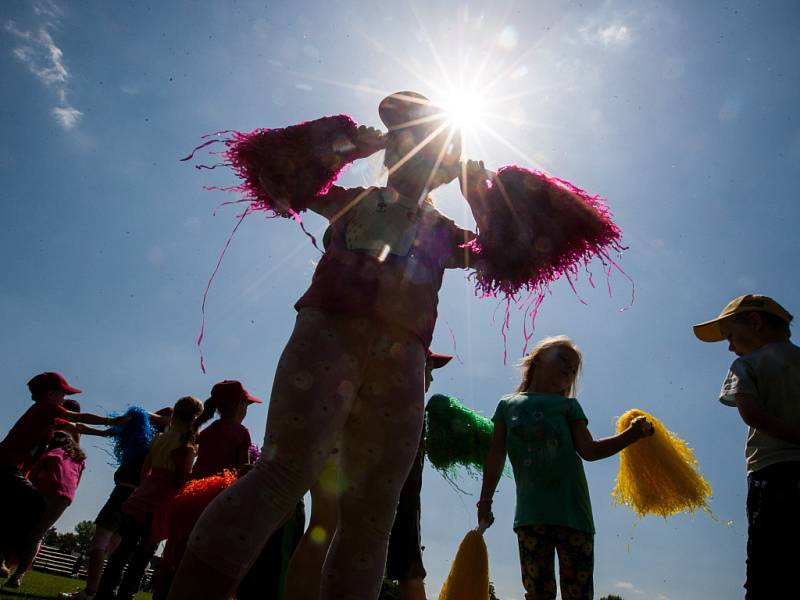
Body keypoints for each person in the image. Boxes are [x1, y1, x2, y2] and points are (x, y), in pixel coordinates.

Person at [168, 91, 479, 600]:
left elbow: (508, 257)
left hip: (402, 360)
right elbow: (274, 174)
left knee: (375, 511)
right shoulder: (350, 200)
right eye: (406, 142)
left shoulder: (445, 233)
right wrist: (345, 147)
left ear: (446, 171)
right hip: (327, 335)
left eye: (432, 151)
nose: (417, 156)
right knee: (283, 472)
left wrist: (483, 197)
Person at [478, 336, 653, 600]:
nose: (569, 370)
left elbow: (590, 450)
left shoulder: (569, 406)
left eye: (573, 370)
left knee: (579, 594)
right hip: (530, 516)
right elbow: (495, 456)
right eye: (563, 360)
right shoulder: (506, 405)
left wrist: (631, 435)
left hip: (574, 515)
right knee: (538, 593)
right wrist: (485, 499)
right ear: (538, 358)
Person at [283, 350, 453, 600]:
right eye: (429, 368)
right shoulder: (403, 415)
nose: (431, 378)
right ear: (414, 368)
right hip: (373, 482)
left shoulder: (368, 396)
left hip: (336, 453)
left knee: (326, 529)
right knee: (404, 561)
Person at [693, 294, 800, 599]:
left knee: (767, 566)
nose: (729, 346)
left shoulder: (746, 364)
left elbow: (751, 414)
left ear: (754, 322)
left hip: (772, 474)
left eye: (729, 336)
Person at [0, 372, 125, 568]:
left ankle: (4, 554)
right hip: (5, 467)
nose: (64, 399)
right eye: (63, 394)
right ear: (51, 394)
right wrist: (112, 421)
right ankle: (4, 554)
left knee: (22, 508)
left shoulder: (49, 416)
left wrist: (104, 433)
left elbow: (77, 426)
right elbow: (77, 416)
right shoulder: (45, 408)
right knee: (32, 504)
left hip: (11, 469)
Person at [152, 381, 261, 600]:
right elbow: (242, 471)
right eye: (246, 404)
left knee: (177, 555)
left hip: (190, 498)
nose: (247, 409)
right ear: (240, 403)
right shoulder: (242, 432)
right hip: (219, 501)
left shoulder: (207, 430)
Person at [94, 396, 203, 600]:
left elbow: (146, 470)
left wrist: (145, 489)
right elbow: (180, 480)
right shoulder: (187, 447)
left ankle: (105, 591)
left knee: (122, 550)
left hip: (141, 497)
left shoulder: (159, 439)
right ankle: (127, 593)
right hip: (160, 504)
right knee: (143, 555)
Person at [59, 406, 174, 600]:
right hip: (136, 497)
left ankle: (90, 592)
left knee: (102, 540)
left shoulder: (151, 441)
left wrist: (151, 417)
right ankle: (98, 591)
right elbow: (105, 431)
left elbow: (141, 414)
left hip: (124, 493)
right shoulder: (157, 443)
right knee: (114, 547)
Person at [4, 398, 108, 589]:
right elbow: (77, 478)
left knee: (18, 524)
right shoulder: (78, 452)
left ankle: (6, 563)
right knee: (36, 533)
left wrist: (31, 476)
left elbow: (40, 460)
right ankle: (17, 575)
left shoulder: (55, 435)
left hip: (42, 485)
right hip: (64, 494)